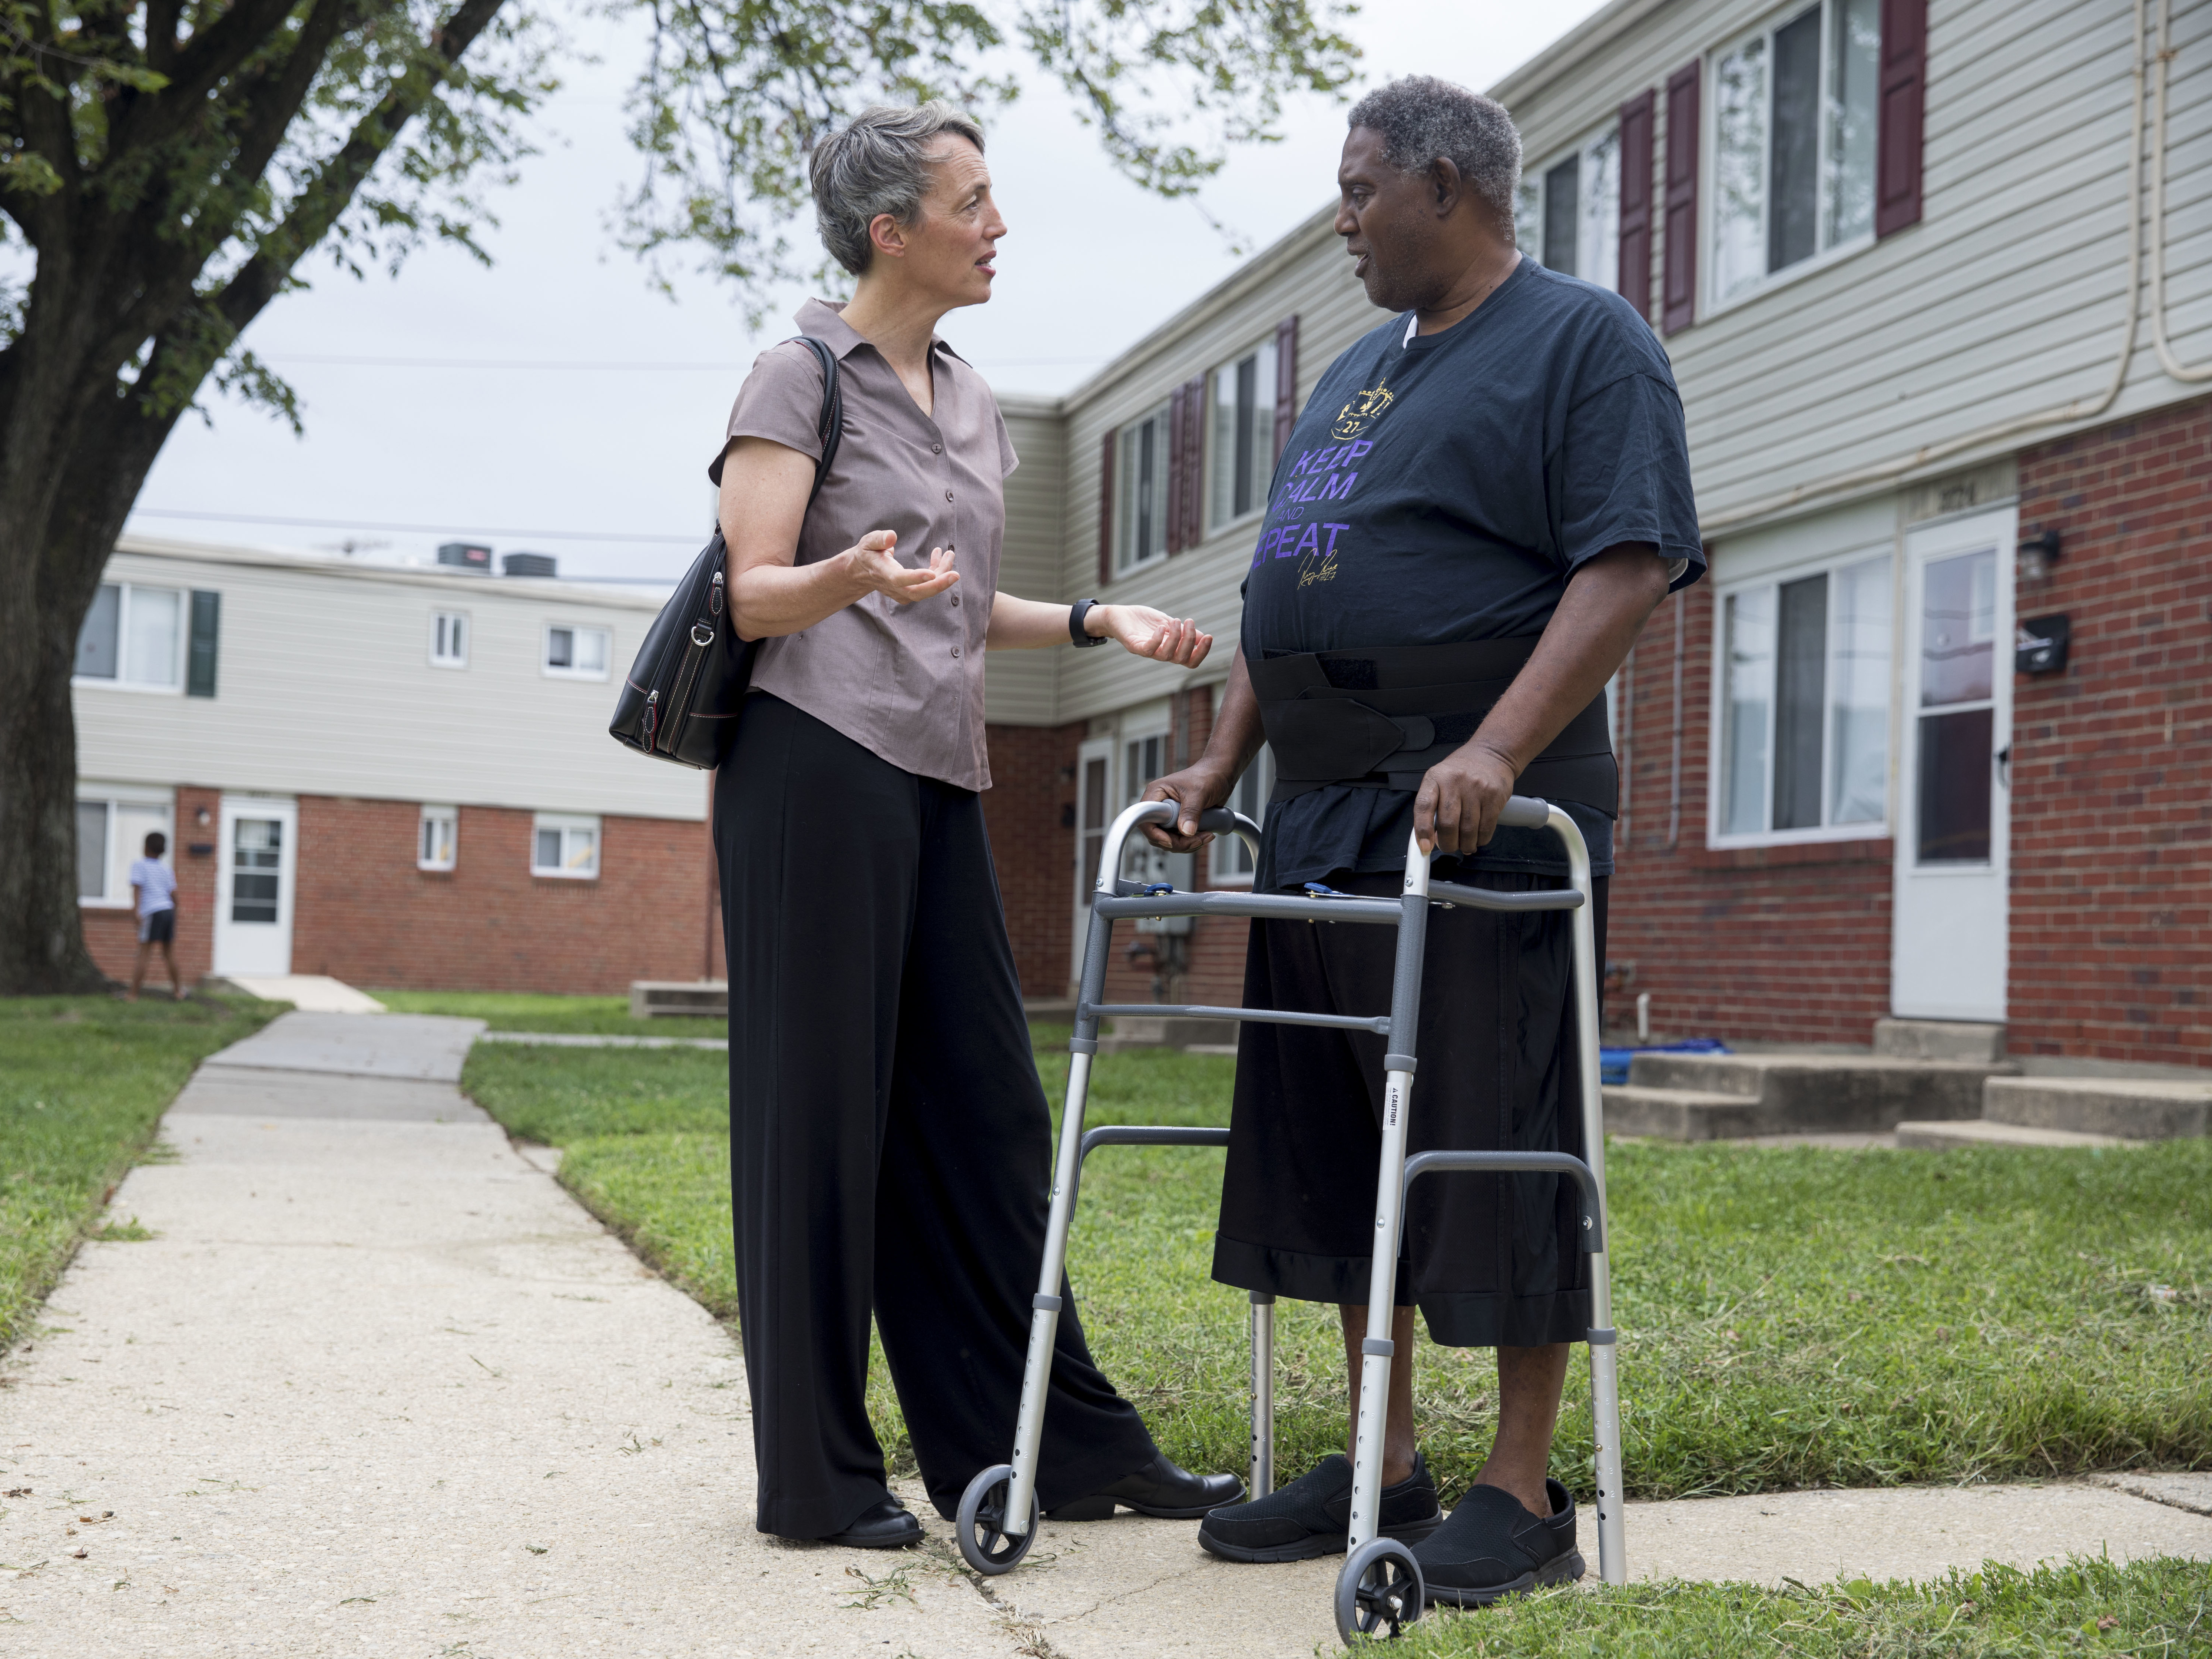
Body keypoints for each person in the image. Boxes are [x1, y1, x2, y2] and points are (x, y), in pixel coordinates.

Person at [1139, 77, 1702, 1605]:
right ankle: (1382, 1463)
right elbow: (1288, 583)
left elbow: (1631, 562)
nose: (1341, 222)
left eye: (1358, 189)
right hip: (1325, 823)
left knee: (1491, 1135)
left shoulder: (1583, 342)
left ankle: (1520, 1493)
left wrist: (1496, 746)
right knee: (1340, 1145)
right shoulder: (1353, 377)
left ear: (1445, 185)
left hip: (1484, 825)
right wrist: (1214, 762)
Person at [710, 101, 1243, 1550]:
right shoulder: (799, 370)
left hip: (937, 774)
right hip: (811, 768)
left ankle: (1050, 1450)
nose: (999, 225)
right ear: (894, 231)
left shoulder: (968, 392)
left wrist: (1089, 617)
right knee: (822, 1123)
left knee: (990, 1122)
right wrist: (845, 582)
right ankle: (814, 1484)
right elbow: (752, 588)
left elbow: (941, 589)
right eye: (974, 201)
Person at [127, 831, 183, 1002]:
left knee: (144, 953)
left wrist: (136, 912)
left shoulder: (139, 865)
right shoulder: (166, 869)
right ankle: (179, 992)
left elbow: (138, 889)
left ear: (145, 847)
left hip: (152, 912)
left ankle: (133, 995)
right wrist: (175, 914)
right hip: (168, 911)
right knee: (169, 954)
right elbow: (174, 896)